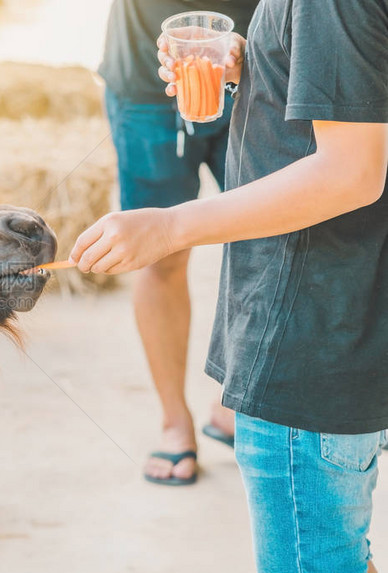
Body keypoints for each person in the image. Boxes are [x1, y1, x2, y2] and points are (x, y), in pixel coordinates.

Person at [73, 0, 388, 570]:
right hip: (341, 325)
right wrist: (265, 64)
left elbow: (351, 172)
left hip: (307, 342)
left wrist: (170, 224)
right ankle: (179, 422)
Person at [98, 0, 258, 486]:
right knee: (160, 256)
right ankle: (175, 422)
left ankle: (237, 405)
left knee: (270, 245)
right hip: (147, 88)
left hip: (259, 67)